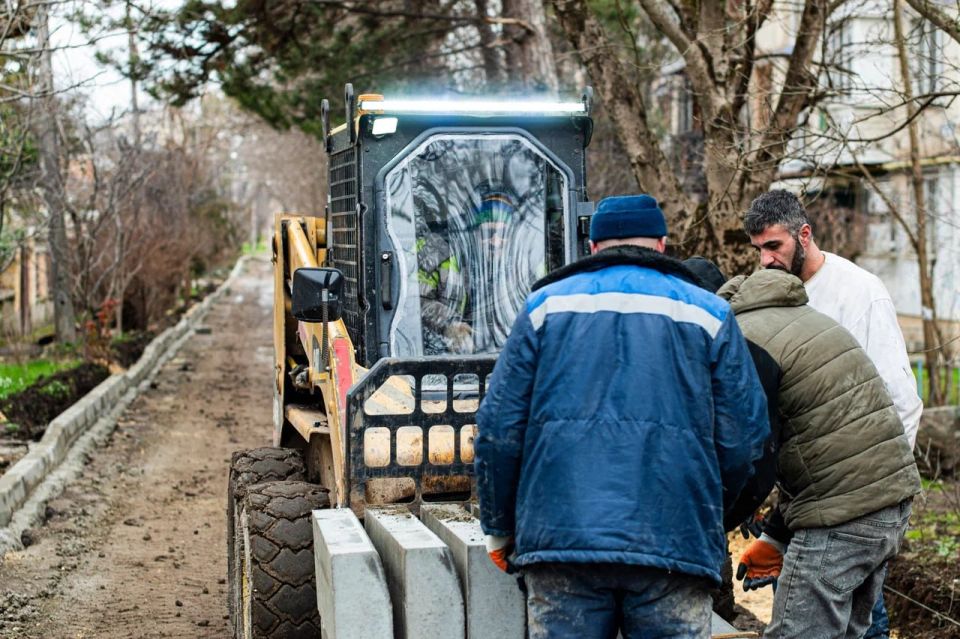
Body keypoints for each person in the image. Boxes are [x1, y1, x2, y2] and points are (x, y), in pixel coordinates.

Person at [474, 195, 770, 638]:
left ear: (593, 248)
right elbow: (744, 439)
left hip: (561, 548)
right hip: (674, 547)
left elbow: (498, 431)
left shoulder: (543, 308)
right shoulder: (710, 313)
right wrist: (703, 512)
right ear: (663, 244)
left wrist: (499, 528)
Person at [742, 189, 923, 637]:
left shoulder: (859, 294)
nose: (765, 260)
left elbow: (900, 401)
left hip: (854, 497)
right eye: (758, 249)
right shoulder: (772, 297)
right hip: (811, 498)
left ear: (804, 234)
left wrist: (870, 490)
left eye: (774, 246)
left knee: (852, 624)